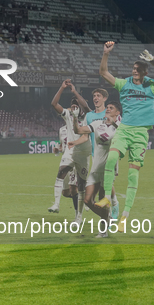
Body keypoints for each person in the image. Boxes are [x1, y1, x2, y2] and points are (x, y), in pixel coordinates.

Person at [95, 42, 154, 231]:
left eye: (137, 69)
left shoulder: (152, 87)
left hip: (141, 133)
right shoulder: (124, 84)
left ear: (144, 72)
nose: (134, 71)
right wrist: (105, 54)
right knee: (111, 158)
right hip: (124, 130)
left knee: (133, 174)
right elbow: (104, 73)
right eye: (133, 68)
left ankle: (124, 216)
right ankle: (107, 197)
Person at [70, 101, 122, 237]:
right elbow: (78, 131)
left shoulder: (120, 127)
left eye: (112, 108)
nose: (108, 109)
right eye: (108, 107)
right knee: (88, 200)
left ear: (118, 113)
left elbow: (123, 140)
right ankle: (108, 218)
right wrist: (75, 117)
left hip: (108, 169)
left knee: (102, 200)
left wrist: (114, 123)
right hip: (95, 168)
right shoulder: (98, 124)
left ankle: (103, 231)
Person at [48, 79, 91, 227]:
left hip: (84, 153)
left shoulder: (88, 117)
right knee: (61, 172)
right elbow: (54, 104)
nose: (74, 106)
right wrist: (61, 88)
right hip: (70, 152)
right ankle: (56, 204)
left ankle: (78, 216)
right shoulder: (68, 114)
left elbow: (85, 106)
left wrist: (74, 91)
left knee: (80, 186)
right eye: (72, 104)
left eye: (76, 104)